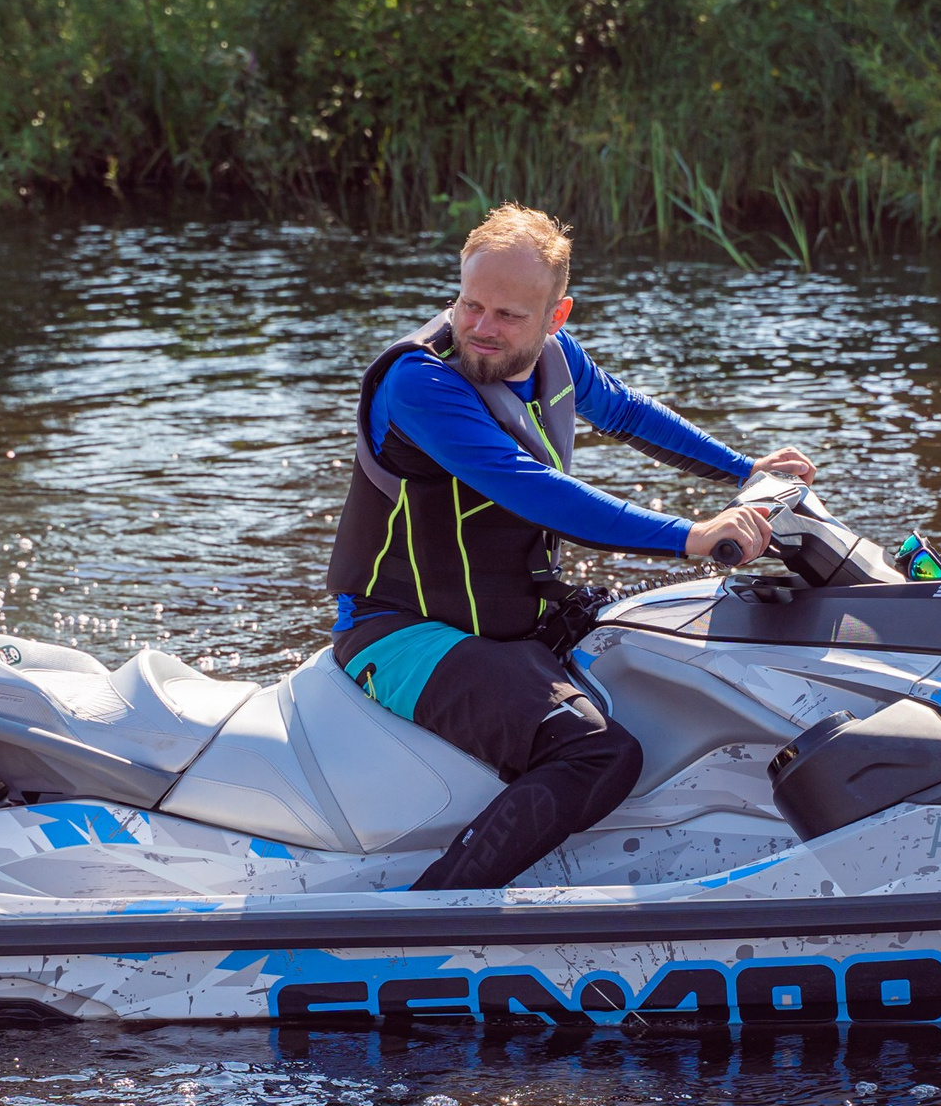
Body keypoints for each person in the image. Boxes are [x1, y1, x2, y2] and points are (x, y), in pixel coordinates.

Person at [325, 202, 815, 891]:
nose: (481, 329)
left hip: (514, 615)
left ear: (556, 317)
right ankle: (430, 914)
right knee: (596, 754)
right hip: (401, 630)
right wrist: (693, 535)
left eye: (507, 316)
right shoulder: (420, 384)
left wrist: (745, 472)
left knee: (685, 635)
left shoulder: (556, 357)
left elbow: (630, 412)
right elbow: (534, 490)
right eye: (470, 306)